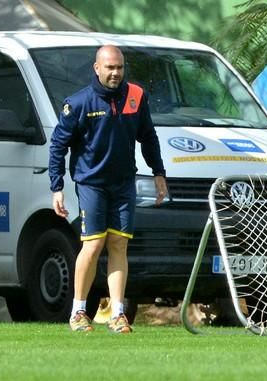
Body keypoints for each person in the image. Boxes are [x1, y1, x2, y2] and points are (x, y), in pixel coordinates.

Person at [49, 45, 168, 333]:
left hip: (124, 183)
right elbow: (58, 145)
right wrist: (57, 186)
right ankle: (78, 312)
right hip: (91, 183)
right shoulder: (78, 103)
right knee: (93, 244)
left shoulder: (136, 97)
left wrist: (159, 173)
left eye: (120, 67)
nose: (116, 73)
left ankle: (118, 314)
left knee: (119, 244)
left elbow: (148, 137)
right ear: (97, 68)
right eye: (110, 68)